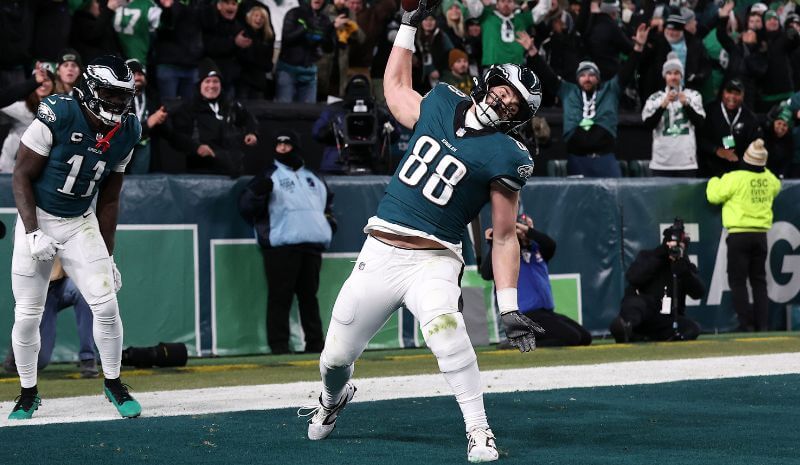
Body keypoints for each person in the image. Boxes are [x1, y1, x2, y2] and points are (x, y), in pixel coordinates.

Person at [300, 0, 545, 461]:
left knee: (449, 334)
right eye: (504, 89)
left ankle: (480, 431)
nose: (503, 100)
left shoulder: (508, 155)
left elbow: (506, 234)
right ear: (489, 81)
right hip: (381, 251)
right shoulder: (442, 101)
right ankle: (333, 399)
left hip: (434, 258)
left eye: (514, 102)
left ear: (518, 116)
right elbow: (394, 88)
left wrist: (508, 305)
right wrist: (408, 26)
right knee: (333, 359)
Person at [8, 55, 142, 420]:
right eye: (111, 94)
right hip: (38, 217)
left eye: (124, 95)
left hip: (80, 222)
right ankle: (27, 392)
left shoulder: (128, 129)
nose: (118, 103)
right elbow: (20, 176)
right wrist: (33, 232)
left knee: (107, 305)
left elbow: (110, 198)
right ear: (90, 88)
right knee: (27, 315)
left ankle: (113, 383)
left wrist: (109, 254)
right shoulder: (59, 112)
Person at [238, 131, 335, 354]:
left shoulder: (315, 178)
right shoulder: (268, 176)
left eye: (286, 144)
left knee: (309, 298)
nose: (281, 148)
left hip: (311, 246)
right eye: (278, 144)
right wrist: (258, 194)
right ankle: (279, 345)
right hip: (281, 247)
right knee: (280, 297)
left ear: (296, 146)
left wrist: (329, 226)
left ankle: (315, 342)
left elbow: (328, 207)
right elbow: (246, 207)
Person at [523, 23, 648, 177]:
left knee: (613, 199)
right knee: (578, 200)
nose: (587, 78)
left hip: (605, 158)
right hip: (577, 159)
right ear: (577, 78)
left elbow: (627, 71)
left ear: (598, 78)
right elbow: (548, 77)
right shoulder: (568, 91)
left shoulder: (610, 90)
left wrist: (638, 49)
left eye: (591, 75)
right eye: (582, 75)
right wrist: (532, 52)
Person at [481, 214, 591, 347]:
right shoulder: (506, 255)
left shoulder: (538, 251)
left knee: (585, 338)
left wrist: (529, 230)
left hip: (545, 313)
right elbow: (486, 273)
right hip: (524, 316)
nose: (522, 231)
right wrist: (496, 241)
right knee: (572, 338)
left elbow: (550, 244)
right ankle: (517, 343)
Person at [706, 139, 781, 332]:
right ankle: (763, 325)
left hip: (739, 234)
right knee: (759, 281)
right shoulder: (769, 178)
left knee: (738, 281)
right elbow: (777, 187)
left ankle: (746, 324)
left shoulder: (736, 178)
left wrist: (714, 179)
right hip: (760, 236)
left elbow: (713, 196)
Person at [609, 219, 706, 343]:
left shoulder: (685, 266)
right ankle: (625, 327)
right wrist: (662, 253)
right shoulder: (649, 256)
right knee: (635, 303)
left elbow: (699, 292)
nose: (674, 249)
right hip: (643, 315)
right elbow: (633, 277)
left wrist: (683, 269)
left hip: (666, 319)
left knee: (692, 327)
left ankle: (647, 337)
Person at [3, 258, 99, 379]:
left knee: (84, 291)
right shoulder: (24, 239)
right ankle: (17, 350)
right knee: (40, 361)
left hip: (62, 285)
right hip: (39, 291)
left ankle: (88, 358)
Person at [641, 52, 705, 177]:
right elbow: (648, 125)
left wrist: (686, 104)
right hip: (661, 163)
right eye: (669, 73)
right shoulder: (655, 98)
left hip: (686, 162)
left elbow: (700, 123)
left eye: (676, 73)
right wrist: (663, 105)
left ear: (681, 76)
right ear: (664, 76)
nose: (673, 77)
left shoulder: (693, 96)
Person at [697, 78, 762, 178]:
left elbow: (754, 142)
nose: (732, 97)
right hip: (710, 170)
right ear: (723, 92)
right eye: (729, 92)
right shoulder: (709, 110)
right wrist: (716, 150)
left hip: (738, 171)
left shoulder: (749, 117)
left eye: (737, 93)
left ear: (743, 95)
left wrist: (740, 156)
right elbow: (699, 137)